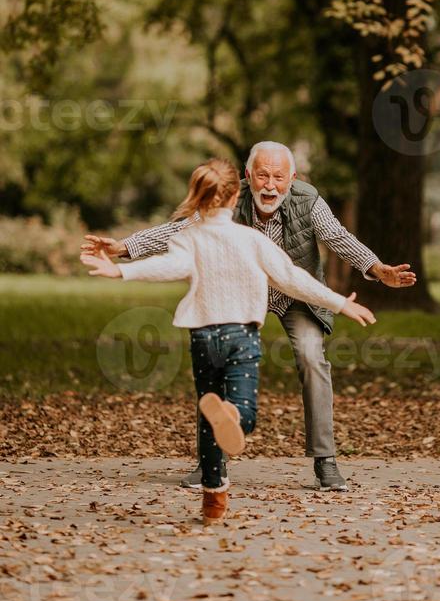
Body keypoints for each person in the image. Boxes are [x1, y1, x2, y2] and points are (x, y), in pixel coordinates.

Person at [82, 140, 415, 492]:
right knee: (217, 367)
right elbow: (181, 229)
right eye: (262, 176)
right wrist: (125, 247)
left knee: (311, 357)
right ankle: (211, 462)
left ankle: (325, 461)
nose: (270, 185)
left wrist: (377, 269)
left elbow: (336, 237)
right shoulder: (228, 198)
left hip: (295, 292)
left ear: (292, 178)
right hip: (240, 294)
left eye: (278, 177)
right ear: (247, 176)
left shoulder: (308, 200)